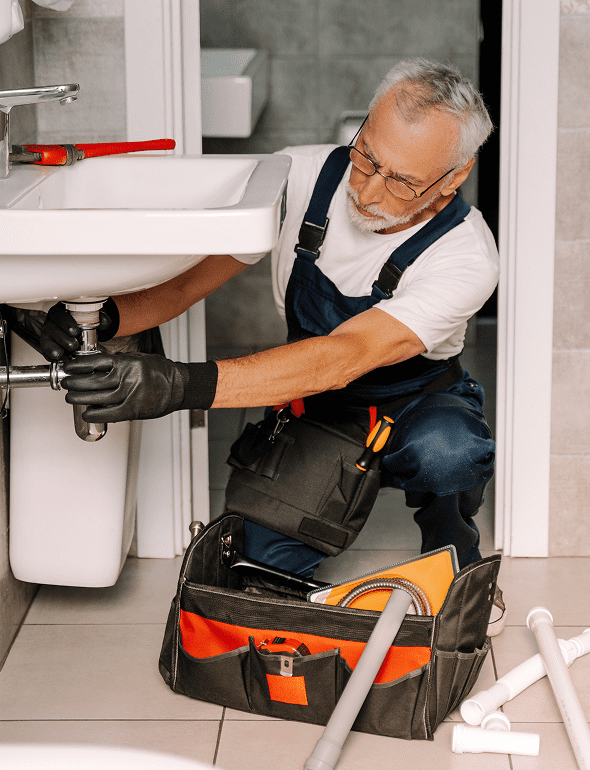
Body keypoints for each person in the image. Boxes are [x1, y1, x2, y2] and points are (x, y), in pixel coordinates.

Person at [41, 58, 505, 634]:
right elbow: (188, 282)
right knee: (261, 571)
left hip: (416, 403)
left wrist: (177, 384)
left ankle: (449, 527)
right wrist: (104, 317)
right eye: (367, 157)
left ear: (453, 178)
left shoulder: (466, 255)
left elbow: (345, 355)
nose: (366, 188)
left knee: (448, 451)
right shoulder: (297, 178)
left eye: (402, 182)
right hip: (316, 407)